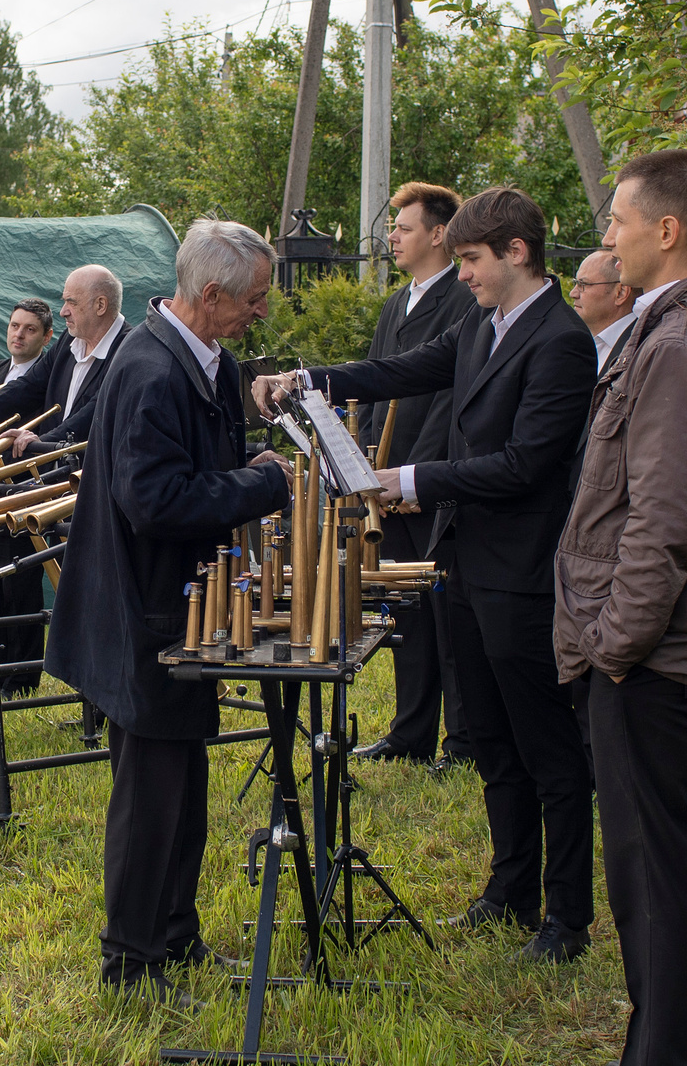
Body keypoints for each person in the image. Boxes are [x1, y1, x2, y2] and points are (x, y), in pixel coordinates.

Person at [255, 188, 598, 965]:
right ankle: (509, 889)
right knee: (493, 741)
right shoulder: (481, 321)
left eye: (472, 259)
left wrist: (407, 480)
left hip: (523, 570)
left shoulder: (561, 340)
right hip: (465, 558)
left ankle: (567, 916)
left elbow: (524, 464)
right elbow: (404, 369)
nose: (463, 273)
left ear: (517, 252)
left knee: (547, 749)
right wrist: (310, 380)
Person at [545, 149, 687, 1066]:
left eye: (619, 222)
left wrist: (614, 647)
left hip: (656, 659)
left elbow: (664, 523)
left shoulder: (674, 346)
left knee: (653, 873)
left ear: (666, 231)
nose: (608, 237)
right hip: (679, 650)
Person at [50, 221, 293, 999]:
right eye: (254, 299)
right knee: (151, 795)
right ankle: (129, 959)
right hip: (144, 612)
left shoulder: (207, 360)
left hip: (182, 607)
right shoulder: (152, 370)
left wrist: (245, 464)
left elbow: (197, 463)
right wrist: (262, 483)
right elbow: (154, 499)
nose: (261, 312)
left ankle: (176, 936)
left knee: (183, 787)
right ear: (211, 294)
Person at [349, 181, 474, 767]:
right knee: (406, 611)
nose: (392, 237)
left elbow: (452, 398)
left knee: (447, 615)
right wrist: (369, 462)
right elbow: (380, 381)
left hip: (431, 483)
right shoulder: (397, 302)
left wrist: (413, 476)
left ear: (439, 233)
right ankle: (410, 732)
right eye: (392, 228)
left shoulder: (464, 298)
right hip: (386, 482)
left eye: (403, 227)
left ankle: (462, 740)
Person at [0, 265, 128, 458]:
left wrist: (43, 442)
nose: (63, 312)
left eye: (71, 302)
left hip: (92, 472)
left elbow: (95, 413)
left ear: (100, 305)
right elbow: (29, 385)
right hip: (52, 467)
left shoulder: (129, 351)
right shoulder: (68, 339)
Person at [0, 298, 53, 699]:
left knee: (19, 583)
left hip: (23, 492)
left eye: (29, 329)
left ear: (47, 337)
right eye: (14, 326)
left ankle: (22, 676)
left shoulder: (48, 376)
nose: (18, 335)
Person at [573, 250, 639, 375]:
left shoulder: (639, 346)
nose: (573, 294)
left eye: (583, 284)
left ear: (620, 293)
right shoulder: (583, 342)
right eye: (576, 283)